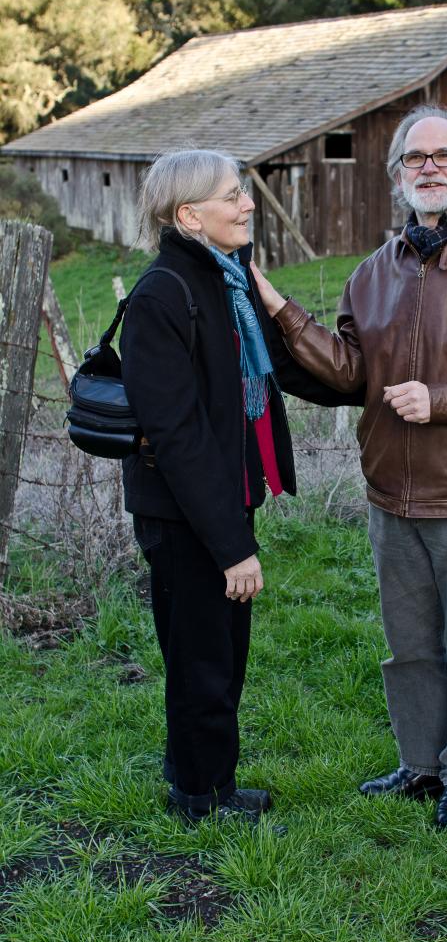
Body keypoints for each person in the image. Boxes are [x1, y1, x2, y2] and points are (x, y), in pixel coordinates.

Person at [252, 105, 447, 828]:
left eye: (443, 156)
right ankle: (421, 764)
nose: (429, 167)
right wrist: (279, 309)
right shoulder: (372, 274)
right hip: (391, 491)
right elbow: (352, 372)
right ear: (396, 176)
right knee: (409, 645)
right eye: (413, 158)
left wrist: (443, 399)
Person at [120, 149, 360, 824]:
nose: (248, 204)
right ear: (190, 214)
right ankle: (201, 798)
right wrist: (232, 546)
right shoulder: (162, 294)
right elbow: (178, 437)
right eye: (233, 196)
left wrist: (368, 383)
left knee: (222, 652)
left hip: (225, 500)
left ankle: (209, 783)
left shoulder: (228, 283)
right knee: (202, 659)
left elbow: (286, 369)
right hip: (185, 513)